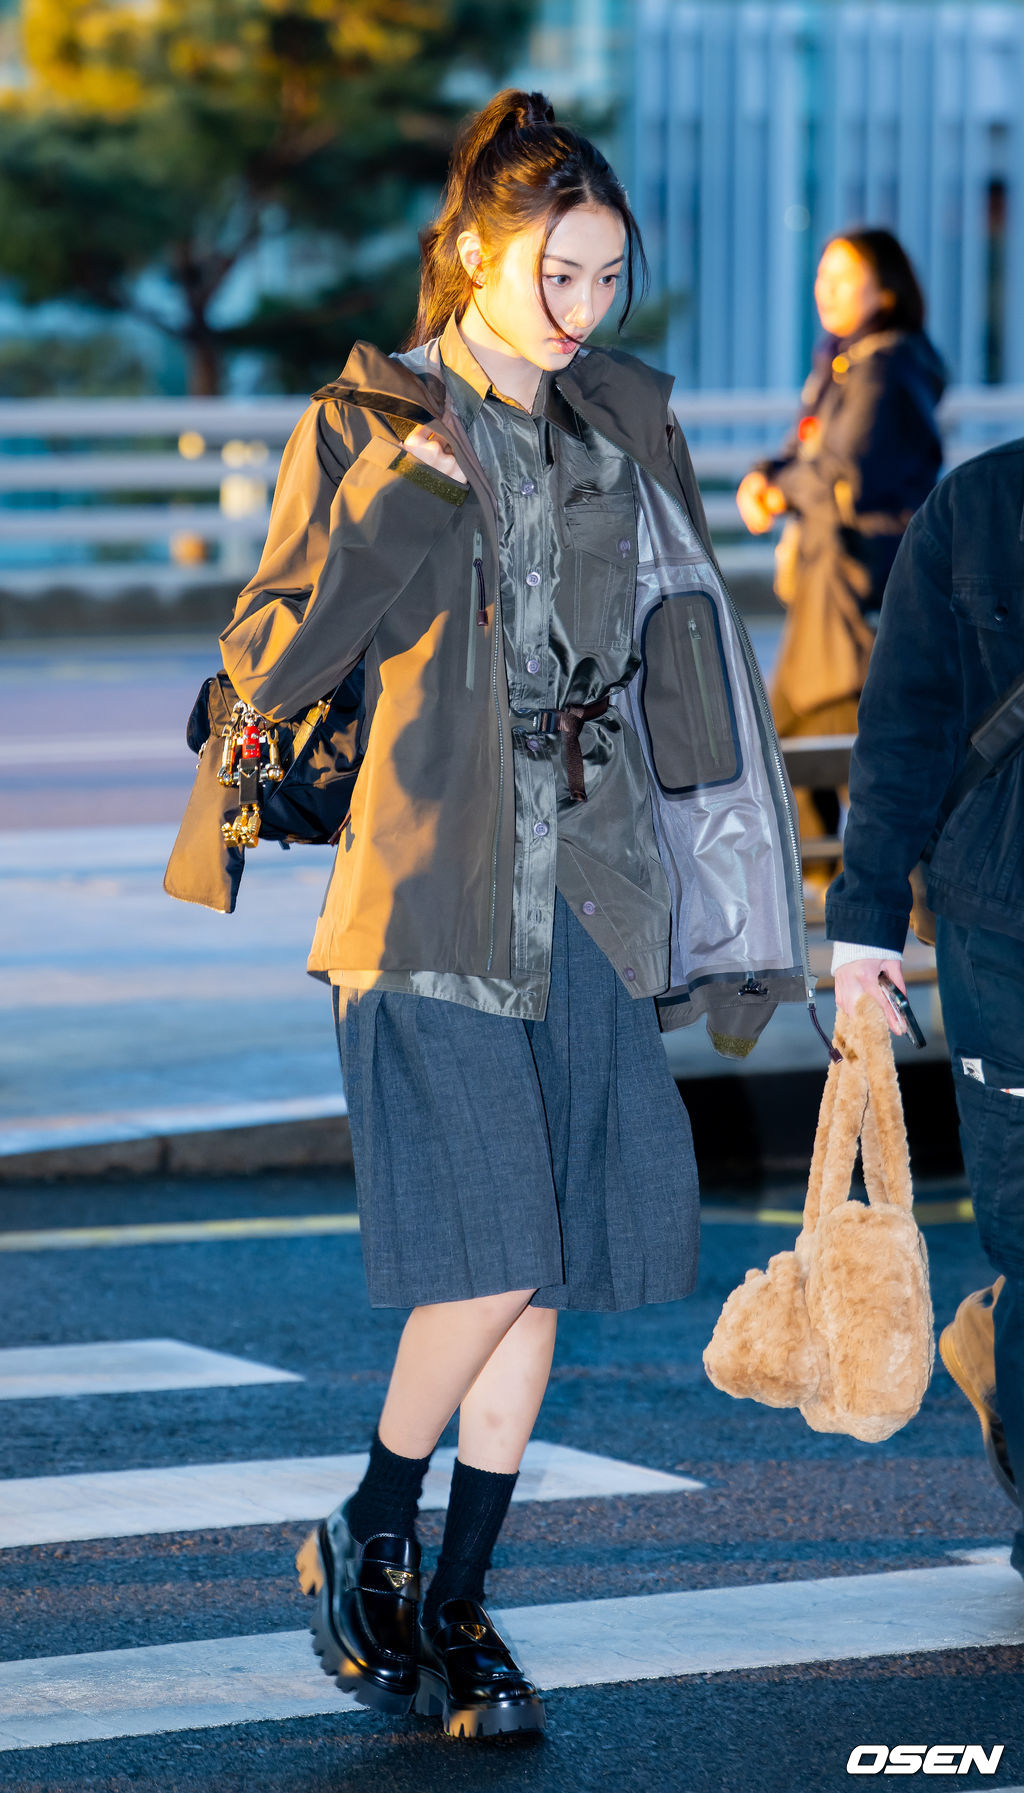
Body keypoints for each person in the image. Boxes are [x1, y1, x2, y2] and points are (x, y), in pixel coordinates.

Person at [220, 89, 808, 1739]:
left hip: (590, 905)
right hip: (426, 898)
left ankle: (459, 1605)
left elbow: (684, 666)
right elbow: (271, 663)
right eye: (557, 274)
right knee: (496, 1253)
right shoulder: (371, 421)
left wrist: (733, 892)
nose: (582, 310)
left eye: (606, 277)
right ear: (475, 256)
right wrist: (396, 499)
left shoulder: (615, 426)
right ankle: (370, 1524)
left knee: (539, 1277)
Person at [826, 437, 1024, 1581]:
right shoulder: (980, 504)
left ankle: (993, 1346)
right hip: (1005, 925)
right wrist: (864, 926)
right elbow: (902, 717)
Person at [736, 229, 945, 879]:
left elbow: (842, 472)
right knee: (804, 744)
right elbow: (809, 451)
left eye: (843, 278)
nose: (824, 290)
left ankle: (879, 894)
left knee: (831, 742)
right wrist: (766, 474)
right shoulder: (846, 363)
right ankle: (841, 892)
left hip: (859, 593)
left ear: (884, 290)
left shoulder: (886, 368)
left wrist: (777, 488)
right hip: (836, 592)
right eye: (821, 276)